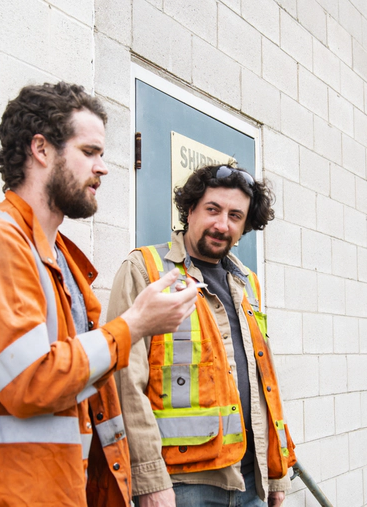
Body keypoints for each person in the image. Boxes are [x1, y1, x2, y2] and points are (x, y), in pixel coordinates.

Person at [0, 82, 198, 507]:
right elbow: (30, 383)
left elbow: (77, 387)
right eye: (90, 152)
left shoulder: (56, 255)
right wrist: (136, 324)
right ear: (41, 150)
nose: (103, 168)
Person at [109, 165, 297, 507]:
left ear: (244, 227)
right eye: (213, 209)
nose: (221, 224)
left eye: (235, 216)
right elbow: (123, 380)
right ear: (191, 209)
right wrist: (149, 480)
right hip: (182, 484)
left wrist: (276, 470)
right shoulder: (145, 270)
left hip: (250, 480)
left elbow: (264, 380)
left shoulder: (247, 282)